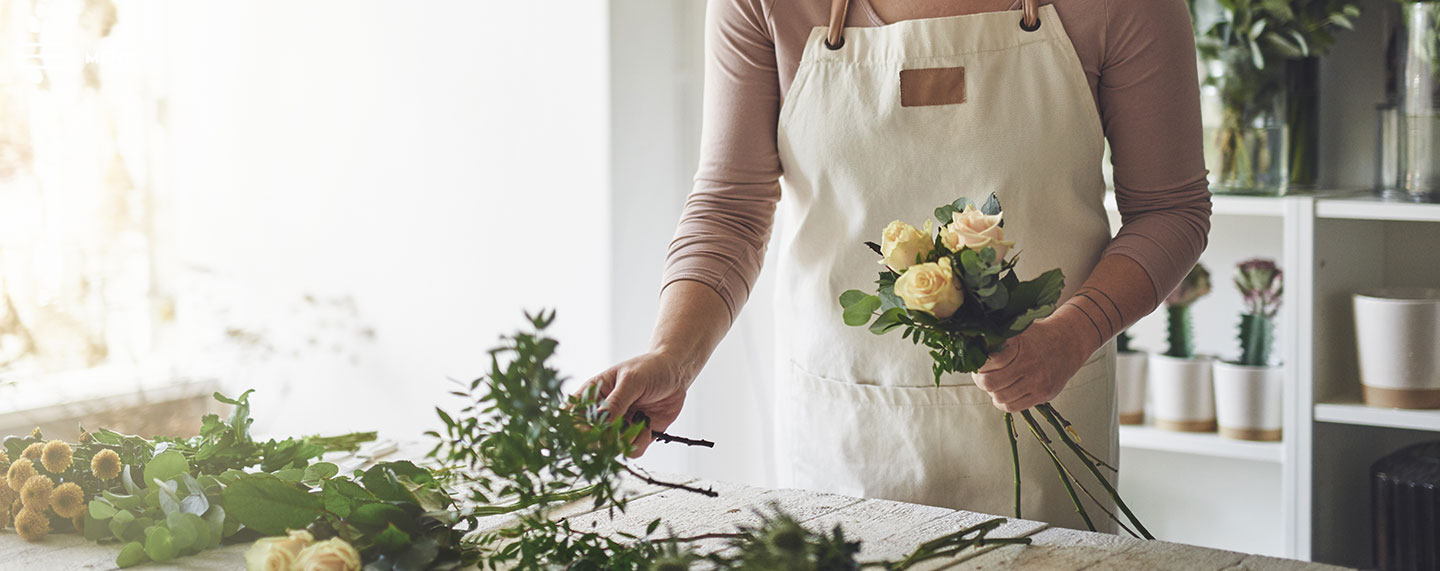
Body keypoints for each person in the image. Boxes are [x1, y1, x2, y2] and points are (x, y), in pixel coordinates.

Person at [579, 0, 1210, 531]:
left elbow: (1170, 209)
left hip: (1044, 433)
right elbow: (730, 208)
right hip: (843, 435)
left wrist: (1073, 334)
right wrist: (673, 356)